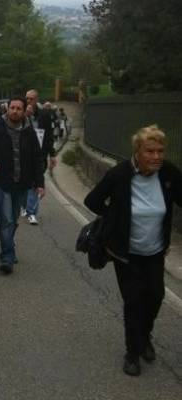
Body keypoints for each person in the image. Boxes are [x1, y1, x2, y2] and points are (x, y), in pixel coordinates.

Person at [84, 125, 182, 377]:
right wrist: (114, 217)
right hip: (124, 252)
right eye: (150, 151)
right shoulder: (120, 174)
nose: (157, 156)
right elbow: (92, 201)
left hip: (154, 251)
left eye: (160, 150)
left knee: (156, 296)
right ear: (138, 151)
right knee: (134, 301)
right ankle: (132, 352)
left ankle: (144, 335)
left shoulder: (167, 173)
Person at [0, 96, 44, 274]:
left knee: (13, 220)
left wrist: (40, 183)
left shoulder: (29, 132)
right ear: (7, 109)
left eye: (18, 109)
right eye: (12, 108)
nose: (14, 111)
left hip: (21, 184)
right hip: (2, 182)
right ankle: (7, 257)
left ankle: (9, 247)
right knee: (7, 219)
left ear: (24, 111)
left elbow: (37, 158)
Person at [23, 89, 57, 225]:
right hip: (24, 154)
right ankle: (25, 206)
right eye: (27, 98)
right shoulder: (21, 113)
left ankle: (31, 212)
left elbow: (48, 136)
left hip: (39, 154)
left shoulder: (44, 115)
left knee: (36, 182)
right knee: (25, 182)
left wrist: (52, 154)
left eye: (31, 99)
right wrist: (26, 116)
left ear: (37, 100)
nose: (28, 101)